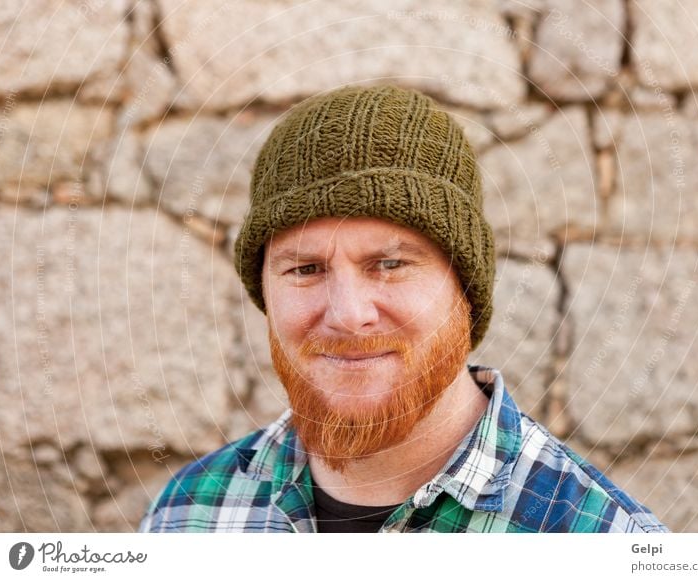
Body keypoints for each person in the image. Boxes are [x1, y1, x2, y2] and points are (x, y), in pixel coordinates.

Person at [138, 83, 669, 533]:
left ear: (463, 284)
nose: (348, 314)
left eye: (389, 265)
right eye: (305, 269)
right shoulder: (186, 515)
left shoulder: (600, 538)